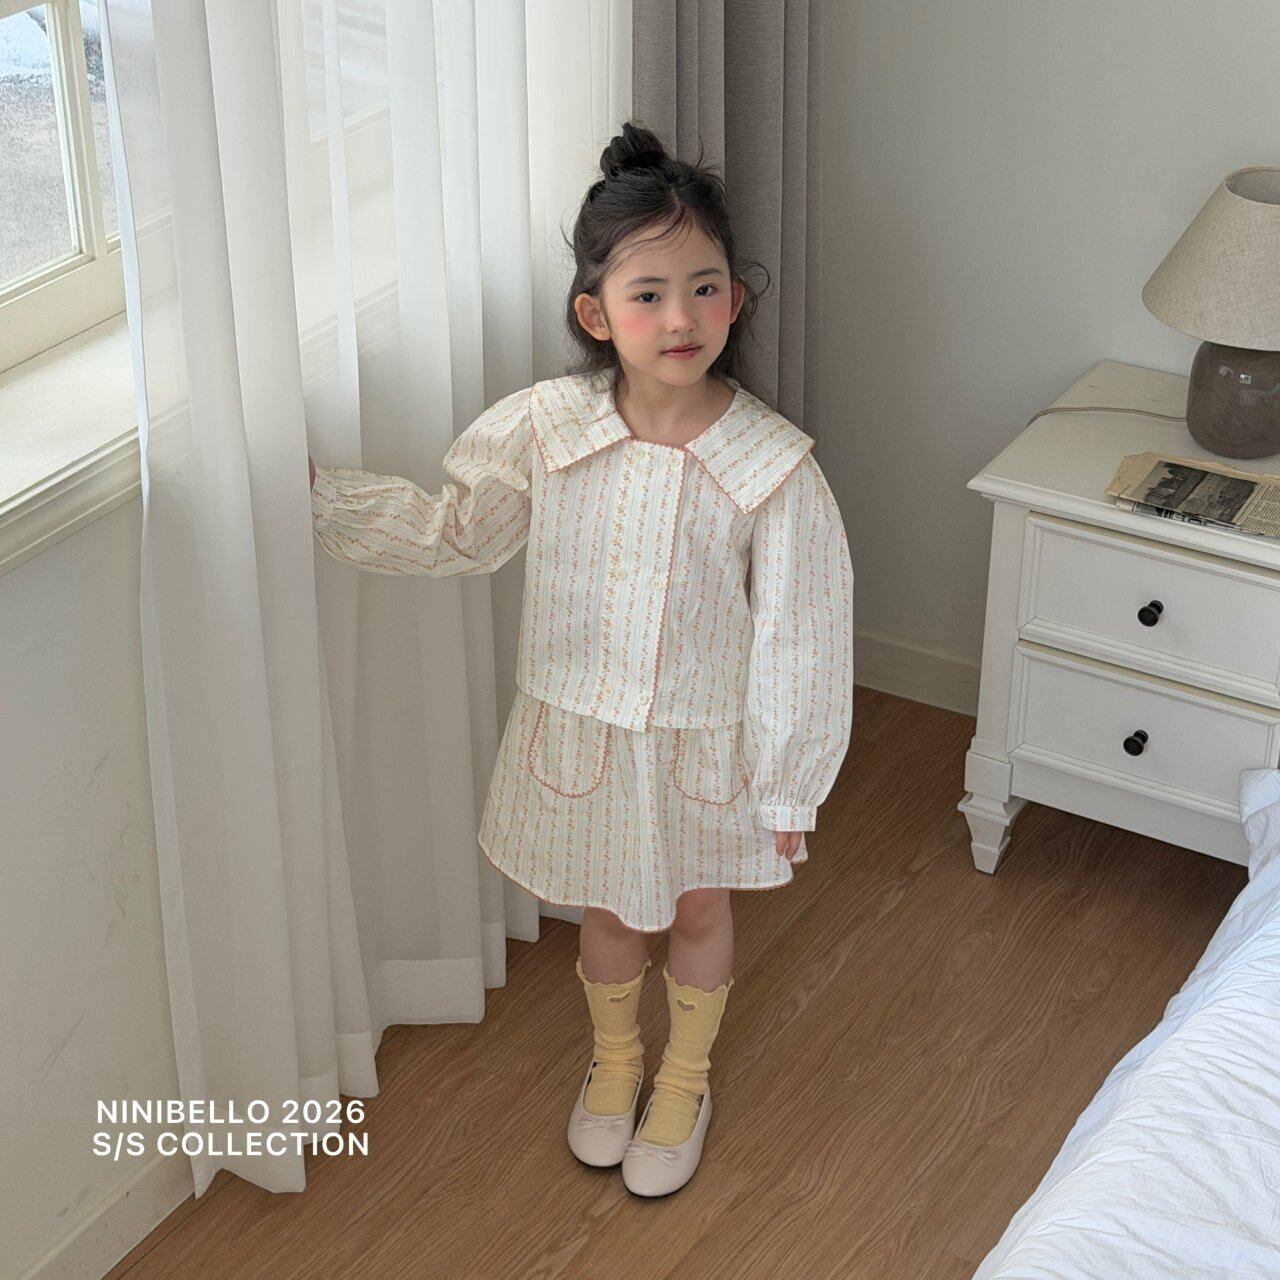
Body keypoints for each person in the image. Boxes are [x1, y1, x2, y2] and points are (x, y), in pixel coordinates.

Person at [307, 121, 854, 1196]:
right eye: (648, 293)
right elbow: (460, 531)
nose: (680, 317)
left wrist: (791, 778)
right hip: (583, 735)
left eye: (703, 288)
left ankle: (684, 1075)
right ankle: (614, 1061)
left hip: (705, 746)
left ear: (736, 300)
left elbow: (802, 631)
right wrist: (320, 500)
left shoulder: (771, 465)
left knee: (698, 908)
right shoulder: (546, 429)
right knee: (608, 911)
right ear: (595, 313)